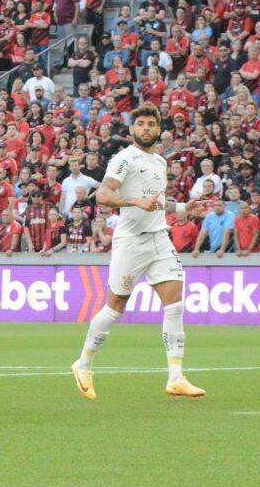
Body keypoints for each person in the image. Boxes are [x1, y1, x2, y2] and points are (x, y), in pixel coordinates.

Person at [71, 103, 208, 400]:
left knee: (175, 304)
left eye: (151, 124)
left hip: (159, 238)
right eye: (141, 124)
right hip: (130, 241)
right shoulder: (124, 159)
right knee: (115, 306)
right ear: (132, 129)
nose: (146, 128)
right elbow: (104, 196)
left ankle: (175, 377)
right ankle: (83, 363)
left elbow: (156, 202)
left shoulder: (159, 161)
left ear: (158, 129)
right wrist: (133, 202)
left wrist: (184, 208)